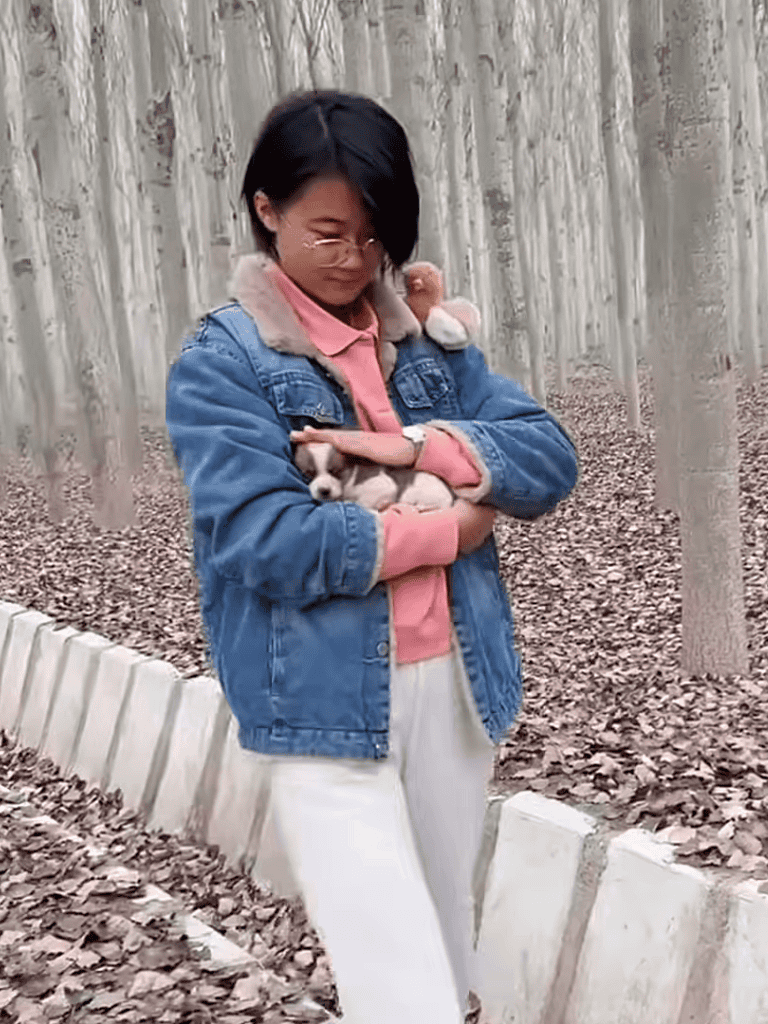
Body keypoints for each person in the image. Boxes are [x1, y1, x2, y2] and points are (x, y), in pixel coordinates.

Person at [165, 88, 579, 1024]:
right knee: (400, 986)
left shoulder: (423, 344)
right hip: (319, 704)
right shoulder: (224, 363)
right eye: (328, 232)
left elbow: (548, 456)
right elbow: (265, 538)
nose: (354, 258)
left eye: (374, 235)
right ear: (267, 211)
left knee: (445, 949)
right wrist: (449, 529)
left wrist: (418, 444)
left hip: (455, 686)